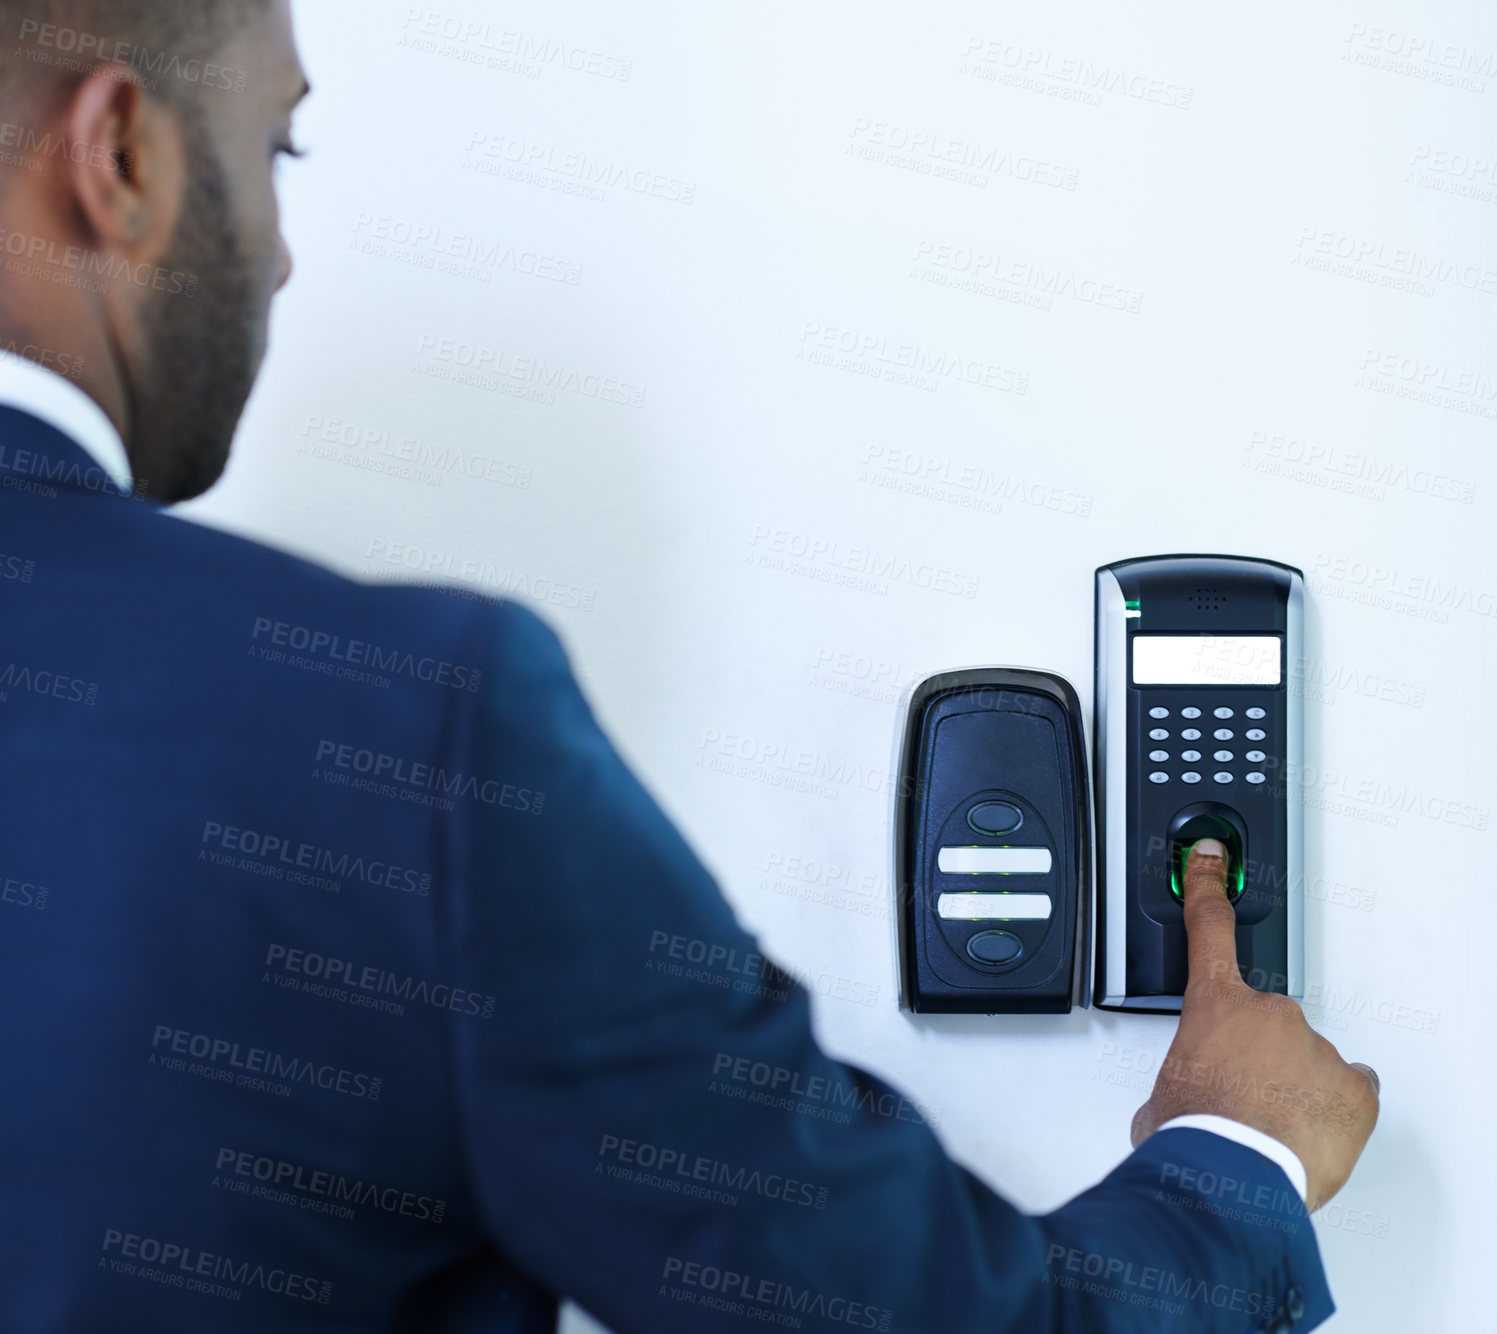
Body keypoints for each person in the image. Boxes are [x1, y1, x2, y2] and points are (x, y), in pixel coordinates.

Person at [0, 3, 1378, 1330]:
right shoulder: (395, 725)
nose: (284, 255)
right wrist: (1234, 1159)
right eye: (273, 148)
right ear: (119, 153)